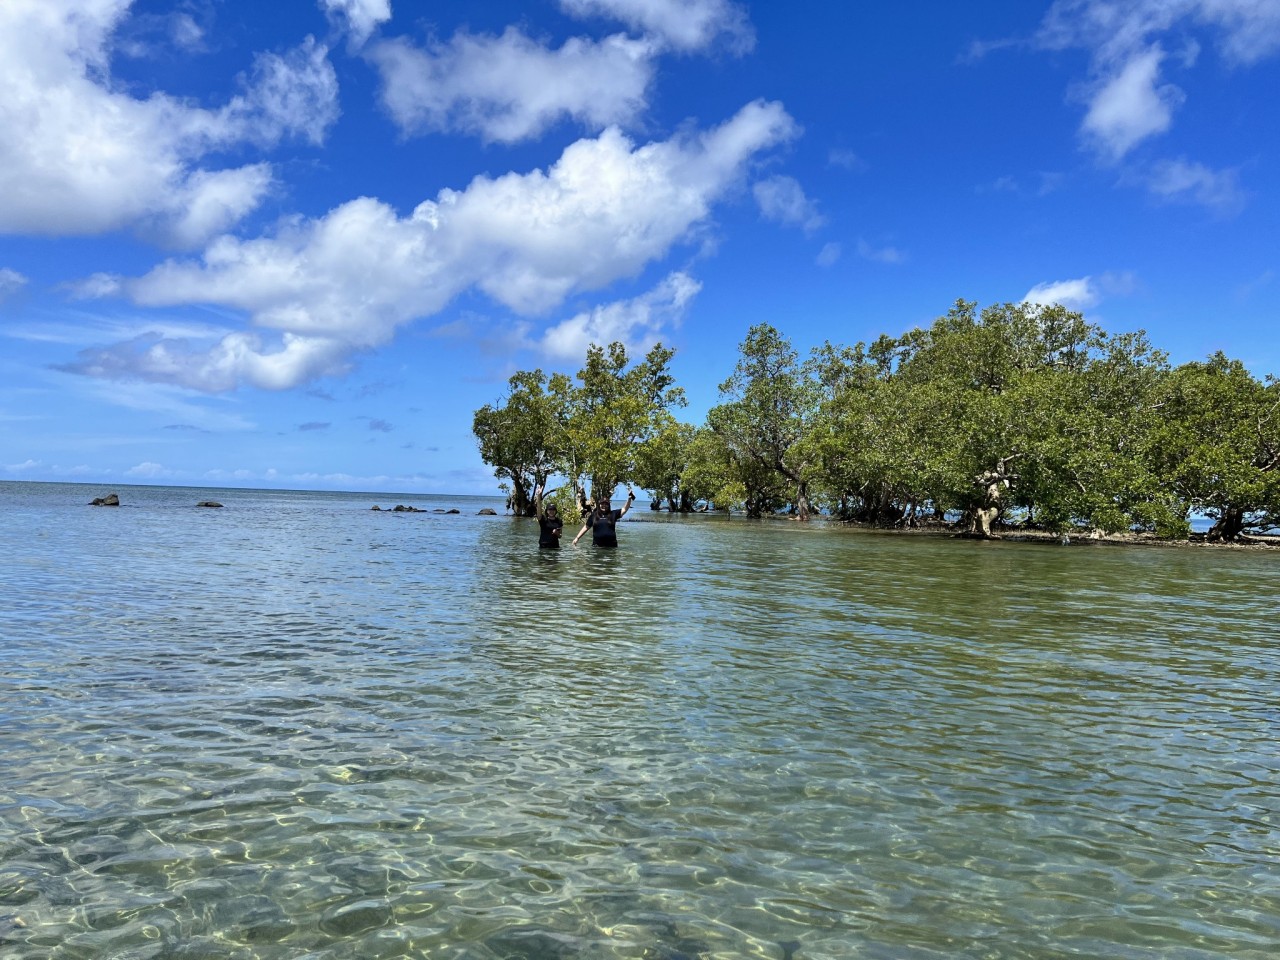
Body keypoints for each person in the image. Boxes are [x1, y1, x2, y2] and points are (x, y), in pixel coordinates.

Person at [534, 484, 563, 549]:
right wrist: (539, 496)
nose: (551, 511)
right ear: (547, 511)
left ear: (555, 511)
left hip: (555, 547)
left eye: (553, 509)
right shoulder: (543, 520)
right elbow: (538, 509)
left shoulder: (559, 521)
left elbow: (560, 536)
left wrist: (556, 533)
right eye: (550, 509)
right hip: (543, 546)